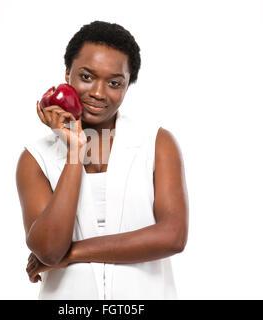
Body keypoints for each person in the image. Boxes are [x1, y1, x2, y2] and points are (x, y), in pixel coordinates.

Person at [16, 21, 189, 300]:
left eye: (114, 83)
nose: (98, 92)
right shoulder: (36, 158)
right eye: (86, 76)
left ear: (128, 84)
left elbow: (173, 236)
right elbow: (48, 250)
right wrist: (75, 150)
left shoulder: (157, 143)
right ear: (67, 74)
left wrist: (73, 254)